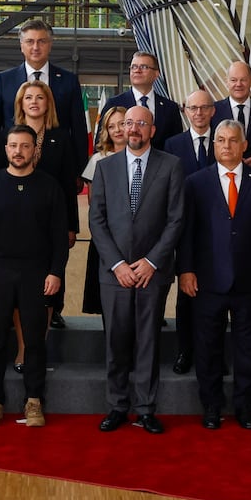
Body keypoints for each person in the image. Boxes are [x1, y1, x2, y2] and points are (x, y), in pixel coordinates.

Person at [177, 120, 251, 430]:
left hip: (249, 281)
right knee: (208, 346)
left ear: (244, 145)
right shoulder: (196, 182)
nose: (226, 145)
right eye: (221, 140)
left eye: (233, 140)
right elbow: (187, 234)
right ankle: (211, 406)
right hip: (207, 281)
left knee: (248, 348)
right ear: (214, 146)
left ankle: (244, 407)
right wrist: (185, 270)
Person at [87, 103, 186, 434]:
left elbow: (175, 220)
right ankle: (117, 405)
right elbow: (97, 221)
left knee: (148, 342)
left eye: (141, 124)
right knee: (116, 342)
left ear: (152, 130)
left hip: (151, 273)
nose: (133, 129)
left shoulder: (171, 166)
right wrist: (117, 264)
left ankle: (145, 408)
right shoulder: (105, 167)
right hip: (114, 272)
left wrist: (151, 261)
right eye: (128, 123)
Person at [0, 125, 71, 427]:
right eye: (13, 145)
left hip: (37, 274)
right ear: (6, 149)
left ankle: (33, 401)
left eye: (25, 146)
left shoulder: (50, 187)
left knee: (34, 341)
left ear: (34, 151)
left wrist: (55, 272)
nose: (18, 151)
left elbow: (58, 237)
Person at [9, 79, 81, 332]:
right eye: (28, 98)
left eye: (40, 98)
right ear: (21, 103)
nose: (34, 102)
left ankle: (54, 311)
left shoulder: (60, 138)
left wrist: (71, 226)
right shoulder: (9, 136)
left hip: (52, 218)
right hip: (16, 218)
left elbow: (68, 185)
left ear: (48, 103)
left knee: (52, 266)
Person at [0, 18, 89, 176]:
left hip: (57, 167)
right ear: (21, 46)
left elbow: (78, 129)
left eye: (42, 41)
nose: (35, 47)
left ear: (50, 44)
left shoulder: (69, 80)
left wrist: (80, 171)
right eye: (30, 41)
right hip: (12, 167)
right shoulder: (3, 80)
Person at [164, 88, 217, 374]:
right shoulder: (173, 145)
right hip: (184, 230)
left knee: (215, 295)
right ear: (186, 111)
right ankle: (185, 351)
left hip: (218, 230)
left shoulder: (222, 142)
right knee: (186, 295)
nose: (198, 113)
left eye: (204, 108)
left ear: (213, 111)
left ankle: (212, 354)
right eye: (193, 108)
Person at [79, 106, 127, 318]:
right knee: (109, 305)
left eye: (122, 123)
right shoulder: (98, 160)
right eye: (111, 126)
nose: (117, 130)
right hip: (107, 239)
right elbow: (95, 208)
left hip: (136, 240)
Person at [103, 50, 184, 147]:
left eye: (144, 67)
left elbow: (177, 146)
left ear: (156, 74)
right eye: (134, 67)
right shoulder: (114, 104)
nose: (137, 70)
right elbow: (102, 143)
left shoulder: (170, 108)